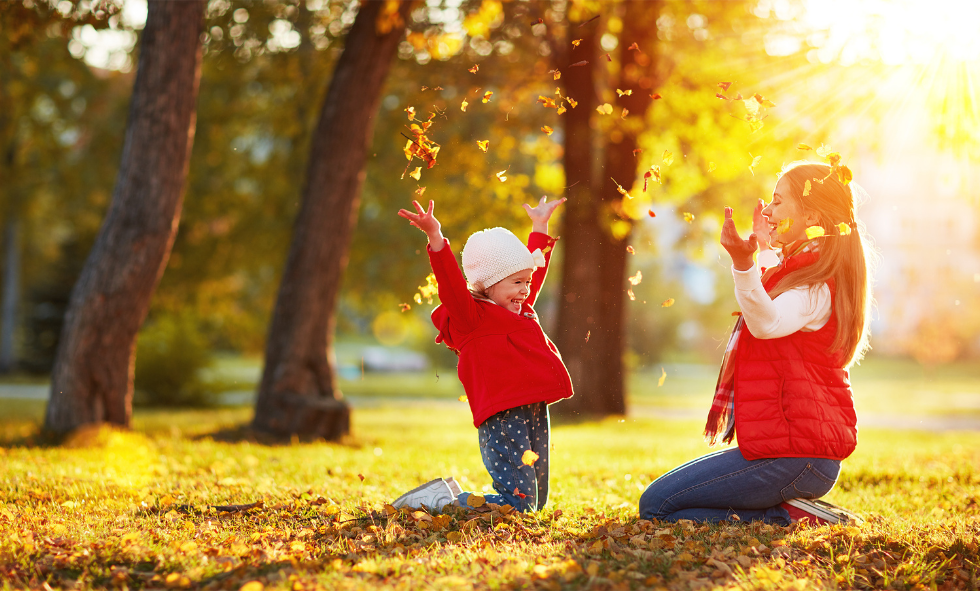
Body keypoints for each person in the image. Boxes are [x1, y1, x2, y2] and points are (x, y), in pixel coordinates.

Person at [639, 161, 873, 525]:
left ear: (811, 215)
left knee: (656, 506)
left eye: (778, 202)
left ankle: (788, 516)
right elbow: (770, 299)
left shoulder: (814, 287)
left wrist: (742, 264)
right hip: (793, 453)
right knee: (661, 503)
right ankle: (786, 511)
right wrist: (763, 251)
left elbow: (766, 322)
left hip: (799, 458)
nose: (767, 210)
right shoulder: (798, 274)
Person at [392, 196, 572, 513]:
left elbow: (534, 272)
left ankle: (458, 499)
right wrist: (435, 237)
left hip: (532, 409)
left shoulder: (519, 309)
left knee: (534, 503)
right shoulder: (472, 318)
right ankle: (444, 501)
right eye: (517, 283)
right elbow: (450, 284)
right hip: (503, 416)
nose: (526, 290)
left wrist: (539, 226)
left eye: (527, 282)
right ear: (488, 285)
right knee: (517, 503)